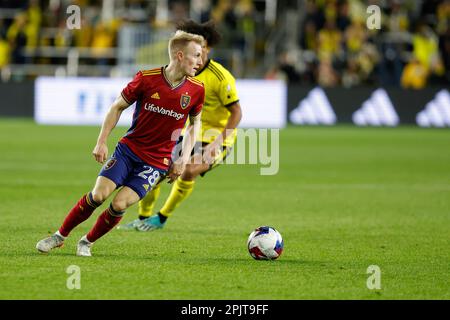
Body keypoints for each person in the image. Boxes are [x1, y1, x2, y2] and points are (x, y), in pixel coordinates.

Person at [35, 30, 205, 256]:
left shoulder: (197, 89)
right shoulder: (147, 78)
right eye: (196, 55)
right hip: (129, 151)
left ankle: (87, 242)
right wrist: (101, 141)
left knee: (120, 204)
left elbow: (195, 124)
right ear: (180, 55)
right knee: (98, 195)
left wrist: (182, 159)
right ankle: (59, 236)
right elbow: (117, 107)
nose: (200, 61)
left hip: (156, 162)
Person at [118, 20, 242, 232]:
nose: (196, 51)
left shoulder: (220, 76)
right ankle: (143, 217)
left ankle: (161, 218)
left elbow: (237, 112)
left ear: (206, 48)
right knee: (157, 170)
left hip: (217, 137)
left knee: (189, 169)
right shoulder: (181, 71)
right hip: (189, 133)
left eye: (200, 46)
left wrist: (217, 144)